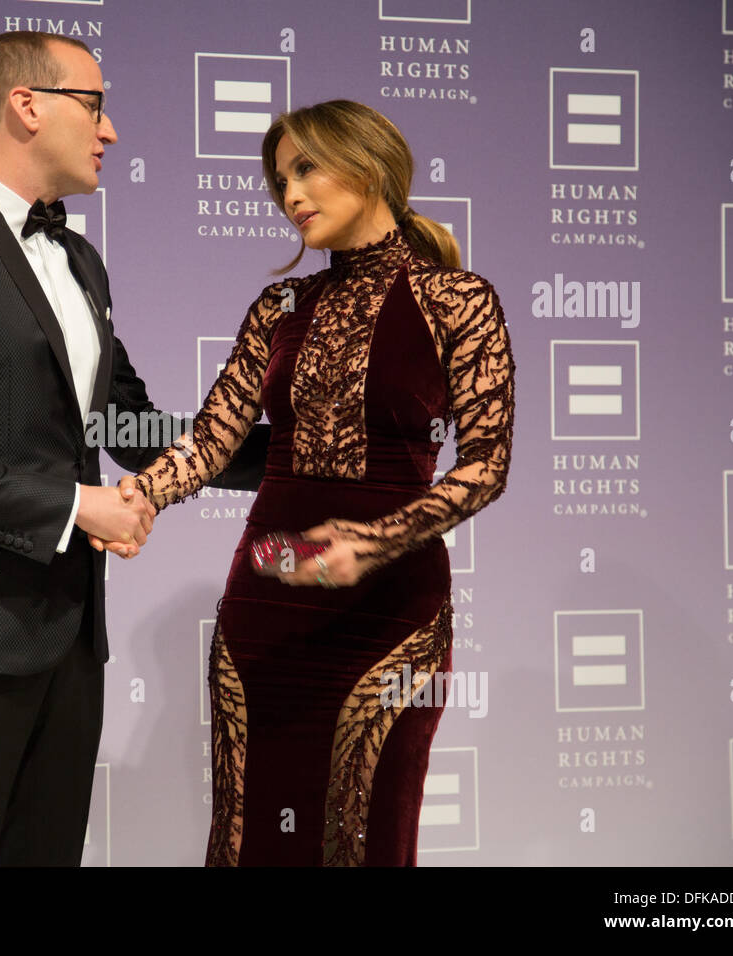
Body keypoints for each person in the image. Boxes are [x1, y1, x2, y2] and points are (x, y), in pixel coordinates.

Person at [0, 31, 267, 866]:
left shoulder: (81, 258)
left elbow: (125, 423)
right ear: (27, 105)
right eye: (96, 103)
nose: (110, 130)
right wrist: (80, 508)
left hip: (72, 634)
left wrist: (295, 458)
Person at [123, 101, 515, 865]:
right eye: (280, 180)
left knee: (364, 836)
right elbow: (211, 439)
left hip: (390, 613)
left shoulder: (458, 300)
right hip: (264, 600)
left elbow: (486, 465)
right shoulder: (279, 307)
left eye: (305, 168)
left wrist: (376, 540)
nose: (290, 195)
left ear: (368, 167)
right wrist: (143, 498)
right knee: (248, 836)